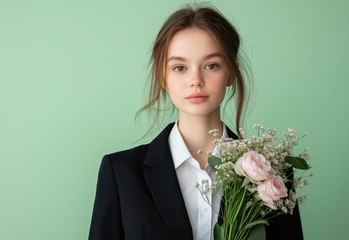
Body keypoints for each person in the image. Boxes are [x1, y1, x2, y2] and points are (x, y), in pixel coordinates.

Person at [88, 5, 303, 240]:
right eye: (179, 67)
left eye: (211, 65)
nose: (196, 80)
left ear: (230, 73)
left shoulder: (274, 177)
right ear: (163, 77)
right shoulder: (121, 173)